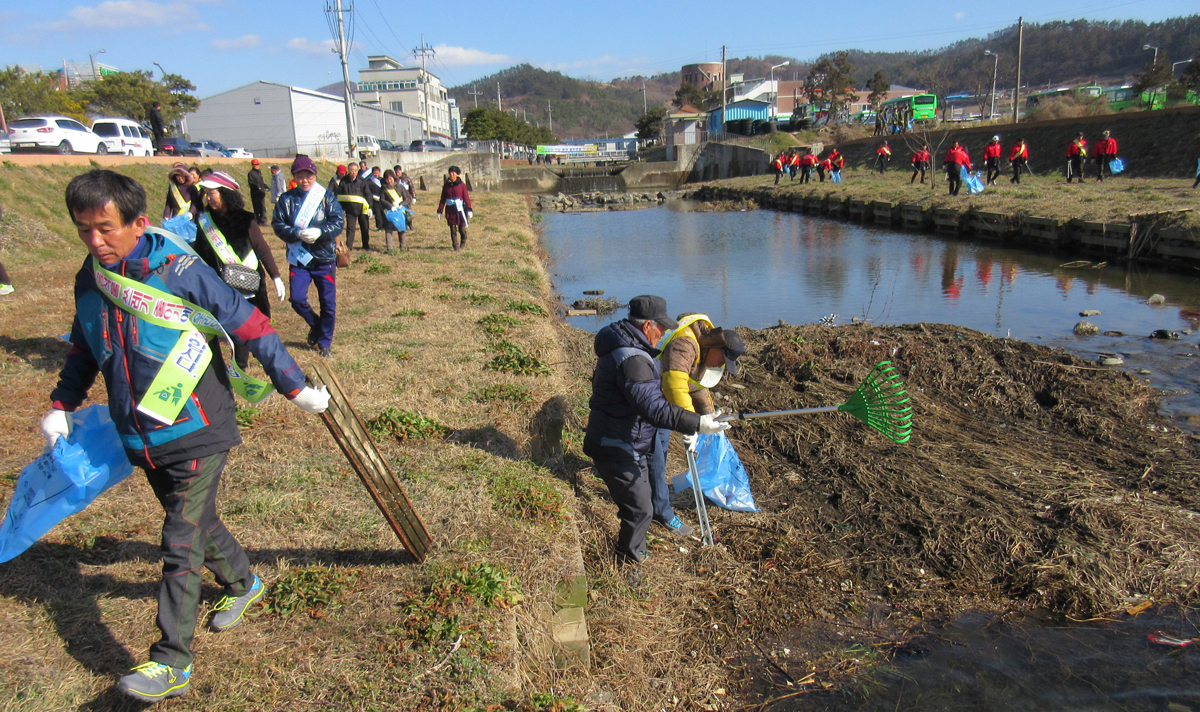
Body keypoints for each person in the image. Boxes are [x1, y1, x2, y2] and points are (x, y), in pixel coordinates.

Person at [43, 169, 330, 703]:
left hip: (199, 425)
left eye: (105, 228)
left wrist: (292, 385)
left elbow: (249, 324)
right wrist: (62, 404)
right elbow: (85, 347)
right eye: (84, 230)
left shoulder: (180, 271)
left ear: (139, 223)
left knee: (180, 539)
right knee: (196, 520)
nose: (95, 241)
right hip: (141, 432)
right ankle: (243, 582)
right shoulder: (91, 279)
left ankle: (171, 661)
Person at [583, 296, 730, 564]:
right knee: (640, 510)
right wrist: (696, 423)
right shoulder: (633, 360)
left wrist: (701, 416)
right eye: (660, 327)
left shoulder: (635, 348)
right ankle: (629, 564)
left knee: (643, 504)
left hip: (628, 438)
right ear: (647, 325)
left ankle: (637, 549)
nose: (663, 334)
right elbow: (653, 407)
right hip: (615, 443)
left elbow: (669, 395)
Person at [648, 314, 745, 539]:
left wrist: (710, 417)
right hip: (649, 400)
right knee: (655, 456)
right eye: (722, 360)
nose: (720, 365)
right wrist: (690, 426)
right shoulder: (685, 345)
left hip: (660, 402)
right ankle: (660, 512)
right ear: (716, 347)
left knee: (657, 455)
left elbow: (696, 386)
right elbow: (675, 386)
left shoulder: (702, 349)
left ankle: (652, 497)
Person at [194, 171, 286, 370]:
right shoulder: (205, 222)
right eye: (206, 194)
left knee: (257, 325)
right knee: (236, 329)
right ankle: (240, 368)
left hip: (250, 283)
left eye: (212, 193)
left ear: (226, 193)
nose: (208, 198)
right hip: (222, 286)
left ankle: (269, 363)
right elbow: (201, 252)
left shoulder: (246, 220)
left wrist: (276, 277)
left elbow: (262, 248)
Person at [272, 155, 345, 357]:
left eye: (309, 175)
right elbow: (278, 225)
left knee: (328, 303)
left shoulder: (326, 197)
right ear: (294, 177)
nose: (305, 180)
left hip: (324, 258)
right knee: (296, 298)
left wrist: (321, 232)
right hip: (299, 258)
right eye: (300, 176)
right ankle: (317, 325)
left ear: (315, 175)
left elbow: (338, 221)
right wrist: (297, 233)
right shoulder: (286, 200)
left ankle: (325, 342)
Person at [336, 162, 373, 251]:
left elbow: (368, 194)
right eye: (352, 170)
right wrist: (340, 208)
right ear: (348, 171)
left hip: (362, 209)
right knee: (350, 228)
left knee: (364, 227)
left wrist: (370, 207)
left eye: (355, 170)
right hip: (350, 209)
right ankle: (349, 246)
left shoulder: (362, 181)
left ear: (357, 171)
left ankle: (365, 245)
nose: (353, 172)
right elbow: (340, 195)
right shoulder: (344, 181)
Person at [437, 165, 473, 252]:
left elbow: (466, 198)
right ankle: (455, 246)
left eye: (453, 173)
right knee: (453, 229)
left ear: (457, 174)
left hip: (460, 210)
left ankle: (463, 241)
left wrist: (469, 208)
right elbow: (443, 199)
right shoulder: (446, 186)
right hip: (451, 210)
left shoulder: (462, 185)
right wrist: (440, 210)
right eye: (450, 172)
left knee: (461, 229)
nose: (451, 174)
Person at [379, 169, 409, 252]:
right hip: (390, 212)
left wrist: (403, 204)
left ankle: (402, 247)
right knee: (388, 230)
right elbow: (382, 200)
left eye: (390, 179)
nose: (389, 181)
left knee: (401, 228)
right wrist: (390, 206)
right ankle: (389, 248)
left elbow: (406, 198)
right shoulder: (383, 189)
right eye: (387, 179)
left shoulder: (400, 187)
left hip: (400, 211)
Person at [395, 165, 417, 230]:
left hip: (407, 199)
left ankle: (410, 224)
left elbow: (412, 188)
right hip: (399, 199)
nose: (397, 174)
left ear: (401, 171)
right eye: (396, 172)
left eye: (398, 172)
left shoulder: (407, 179)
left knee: (408, 212)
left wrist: (414, 197)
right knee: (401, 213)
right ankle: (403, 225)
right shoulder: (395, 180)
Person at [246, 159, 268, 225]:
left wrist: (265, 186)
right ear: (252, 165)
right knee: (257, 207)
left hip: (261, 193)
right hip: (255, 193)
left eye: (258, 164)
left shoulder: (259, 172)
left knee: (262, 207)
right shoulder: (251, 173)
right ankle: (259, 220)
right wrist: (258, 187)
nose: (257, 166)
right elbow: (251, 183)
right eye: (255, 164)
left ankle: (263, 220)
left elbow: (261, 182)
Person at [367, 166, 385, 235]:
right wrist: (373, 196)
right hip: (375, 200)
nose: (376, 175)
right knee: (378, 214)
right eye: (375, 173)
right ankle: (380, 226)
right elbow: (368, 191)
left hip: (382, 199)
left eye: (378, 173)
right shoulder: (369, 181)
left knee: (384, 213)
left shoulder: (382, 180)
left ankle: (385, 225)